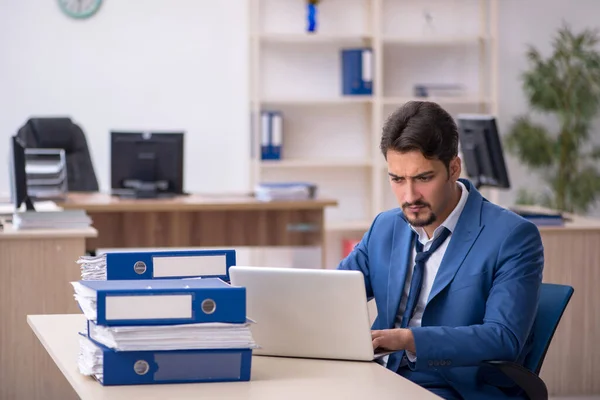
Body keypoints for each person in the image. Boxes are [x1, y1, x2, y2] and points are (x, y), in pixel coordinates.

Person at [337, 101, 544, 399]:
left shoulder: (512, 236)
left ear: (453, 168)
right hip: (380, 376)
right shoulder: (386, 227)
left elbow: (503, 337)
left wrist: (409, 340)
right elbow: (335, 294)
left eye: (423, 178)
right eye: (397, 179)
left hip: (457, 386)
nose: (409, 196)